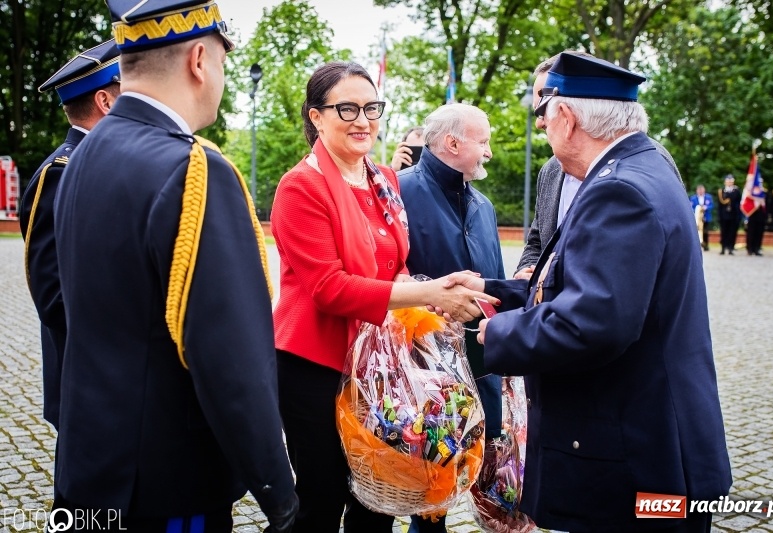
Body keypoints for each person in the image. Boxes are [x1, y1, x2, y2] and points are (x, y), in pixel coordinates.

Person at [454, 52, 732, 532]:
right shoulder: (638, 166)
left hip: (638, 459)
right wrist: (491, 288)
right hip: (646, 440)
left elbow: (591, 323)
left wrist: (497, 333)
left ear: (566, 115)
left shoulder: (618, 189)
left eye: (542, 113)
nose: (541, 126)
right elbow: (576, 283)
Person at [52, 2, 299, 531]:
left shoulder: (80, 157)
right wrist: (277, 488)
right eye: (225, 61)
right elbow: (230, 359)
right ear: (198, 61)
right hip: (167, 485)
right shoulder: (192, 168)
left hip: (87, 470)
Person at [269, 61, 497, 533]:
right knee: (323, 495)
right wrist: (421, 291)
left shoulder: (383, 180)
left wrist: (438, 294)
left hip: (379, 363)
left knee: (380, 494)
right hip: (317, 364)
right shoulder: (300, 187)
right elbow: (329, 288)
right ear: (316, 117)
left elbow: (393, 267)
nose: (362, 120)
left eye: (371, 107)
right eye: (346, 108)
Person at [397, 103, 505, 533]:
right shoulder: (398, 191)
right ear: (452, 142)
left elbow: (493, 284)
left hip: (480, 366)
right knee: (427, 496)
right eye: (484, 141)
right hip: (421, 370)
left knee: (492, 482)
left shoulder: (484, 206)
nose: (490, 152)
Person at [19, 39, 120, 431]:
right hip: (88, 381)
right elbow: (53, 296)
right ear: (106, 102)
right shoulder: (61, 172)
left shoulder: (104, 164)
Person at [515, 52, 681, 278]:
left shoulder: (633, 177)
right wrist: (526, 277)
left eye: (543, 108)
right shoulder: (551, 169)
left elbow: (606, 296)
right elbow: (537, 240)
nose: (539, 122)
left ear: (567, 117)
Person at [717, 174, 742, 255]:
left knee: (732, 232)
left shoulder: (736, 191)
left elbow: (738, 202)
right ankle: (723, 247)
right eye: (728, 181)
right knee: (724, 232)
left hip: (733, 214)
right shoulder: (722, 191)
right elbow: (720, 205)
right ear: (725, 182)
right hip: (724, 215)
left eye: (731, 181)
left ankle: (731, 247)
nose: (729, 183)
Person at [689, 184, 714, 251]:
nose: (700, 191)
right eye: (699, 190)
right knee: (696, 231)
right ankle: (697, 246)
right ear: (697, 191)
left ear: (704, 190)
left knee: (705, 231)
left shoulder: (708, 197)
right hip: (697, 218)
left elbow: (712, 205)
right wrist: (698, 209)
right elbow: (690, 207)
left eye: (701, 190)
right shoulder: (693, 198)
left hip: (705, 217)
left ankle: (706, 245)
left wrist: (705, 208)